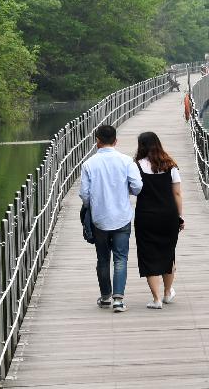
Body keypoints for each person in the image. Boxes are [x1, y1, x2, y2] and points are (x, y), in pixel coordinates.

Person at [79, 124, 142, 312]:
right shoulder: (126, 161)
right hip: (122, 216)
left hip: (100, 219)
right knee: (121, 258)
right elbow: (138, 186)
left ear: (97, 141)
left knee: (103, 258)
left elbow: (85, 194)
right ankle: (118, 300)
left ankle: (105, 296)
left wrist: (93, 206)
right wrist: (126, 191)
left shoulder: (89, 164)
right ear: (116, 141)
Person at [133, 131, 184, 309]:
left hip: (145, 216)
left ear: (141, 146)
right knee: (168, 253)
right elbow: (177, 193)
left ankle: (156, 300)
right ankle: (167, 293)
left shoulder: (136, 166)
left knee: (148, 255)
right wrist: (180, 216)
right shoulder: (171, 165)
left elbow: (133, 189)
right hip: (168, 215)